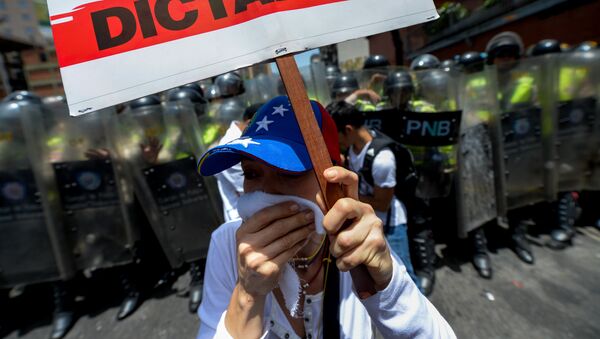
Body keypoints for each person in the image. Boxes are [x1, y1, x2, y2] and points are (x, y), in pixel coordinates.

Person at [196, 96, 456, 338]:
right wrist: (247, 294)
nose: (266, 194)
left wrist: (387, 287)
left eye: (289, 173)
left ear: (336, 178)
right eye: (251, 174)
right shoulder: (227, 244)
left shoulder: (356, 241)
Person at [328, 100, 420, 287]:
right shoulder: (354, 148)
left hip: (391, 225)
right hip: (371, 220)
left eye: (336, 136)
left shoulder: (382, 160)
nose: (336, 143)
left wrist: (347, 197)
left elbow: (383, 203)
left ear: (348, 129)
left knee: (403, 275)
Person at [215, 103, 262, 222]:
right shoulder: (230, 147)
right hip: (241, 218)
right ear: (250, 122)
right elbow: (252, 190)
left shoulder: (248, 139)